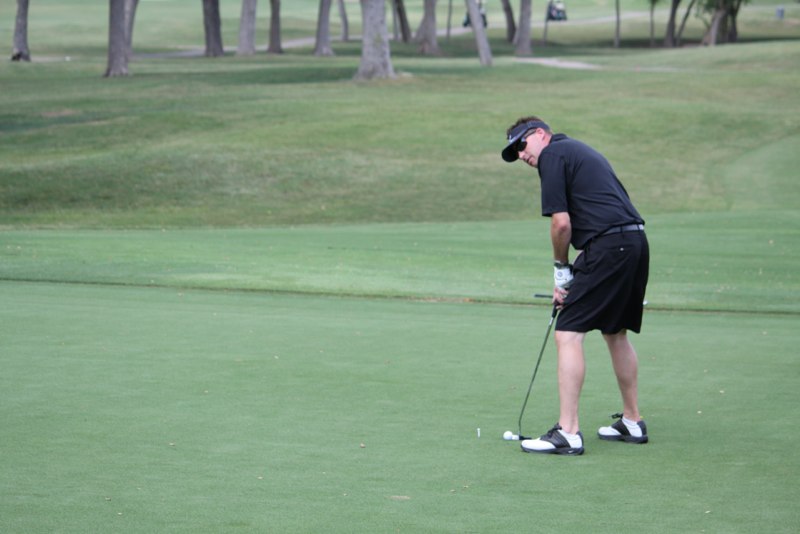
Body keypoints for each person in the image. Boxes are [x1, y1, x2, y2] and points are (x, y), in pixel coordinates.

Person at [501, 117, 650, 455]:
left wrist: (561, 271)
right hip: (634, 243)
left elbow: (561, 224)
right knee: (615, 331)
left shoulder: (553, 155)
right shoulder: (577, 151)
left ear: (540, 134)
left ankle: (568, 432)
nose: (521, 155)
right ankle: (632, 420)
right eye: (515, 152)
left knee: (568, 332)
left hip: (609, 246)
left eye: (521, 145)